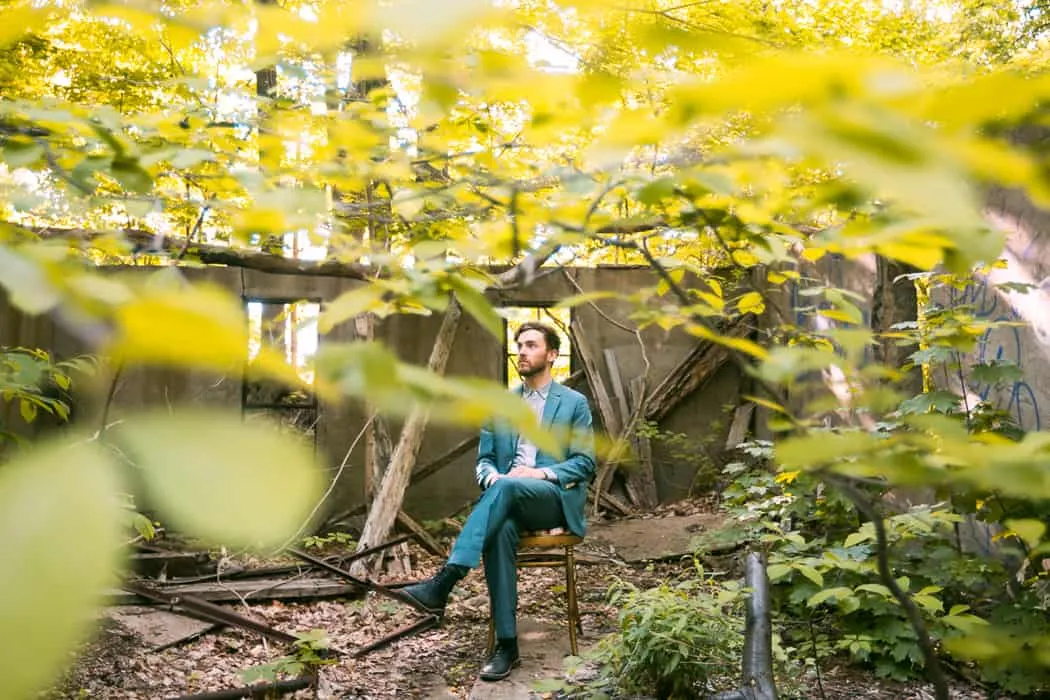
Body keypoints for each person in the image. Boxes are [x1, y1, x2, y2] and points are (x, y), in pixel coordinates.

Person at [396, 321, 596, 681]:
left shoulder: (574, 403)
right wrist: (493, 477)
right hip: (508, 498)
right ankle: (507, 644)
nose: (521, 351)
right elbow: (484, 462)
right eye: (519, 345)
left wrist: (539, 474)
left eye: (531, 345)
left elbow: (585, 463)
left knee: (504, 490)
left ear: (551, 355)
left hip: (551, 499)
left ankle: (445, 581)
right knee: (499, 527)